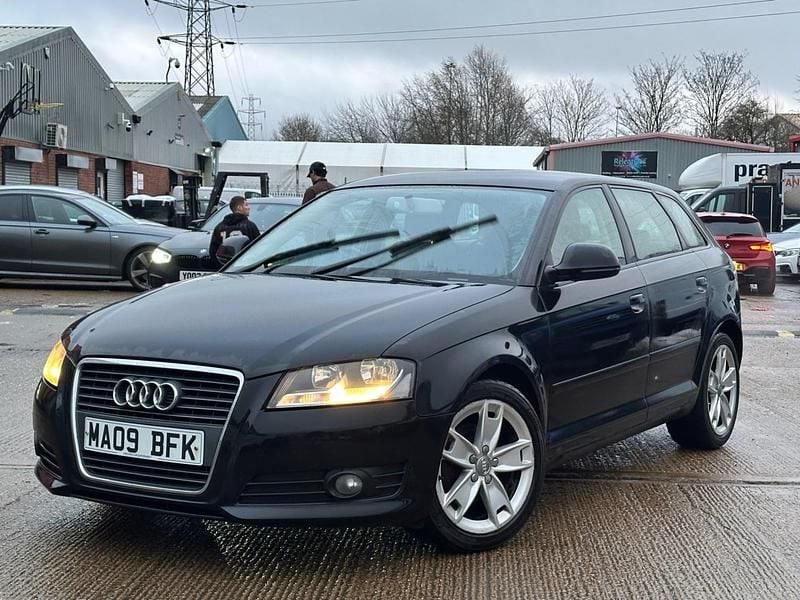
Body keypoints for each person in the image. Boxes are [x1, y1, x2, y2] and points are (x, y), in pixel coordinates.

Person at [209, 195, 260, 264]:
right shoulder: (250, 226)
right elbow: (258, 248)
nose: (249, 207)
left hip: (224, 266)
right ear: (239, 208)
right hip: (244, 266)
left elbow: (213, 251)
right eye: (246, 205)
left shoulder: (219, 227)